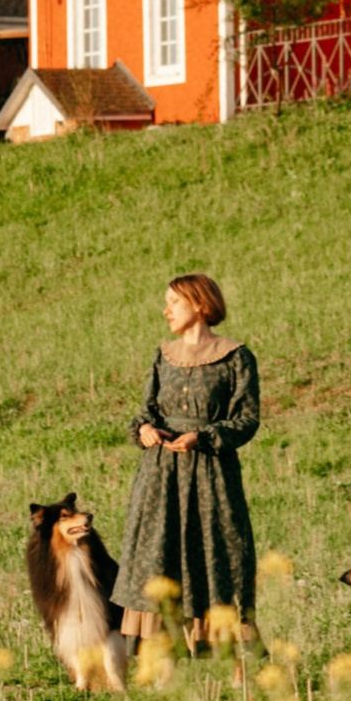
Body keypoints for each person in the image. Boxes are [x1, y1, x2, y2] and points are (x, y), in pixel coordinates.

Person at [115, 272, 259, 650]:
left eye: (174, 302)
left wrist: (205, 437)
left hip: (211, 473)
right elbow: (144, 412)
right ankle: (160, 656)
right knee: (158, 556)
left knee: (216, 555)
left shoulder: (236, 357)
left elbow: (246, 419)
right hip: (161, 474)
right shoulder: (164, 356)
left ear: (199, 303)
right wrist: (145, 430)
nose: (166, 311)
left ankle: (230, 657)